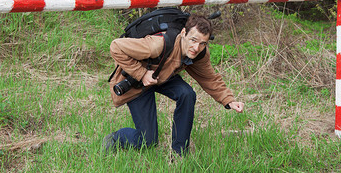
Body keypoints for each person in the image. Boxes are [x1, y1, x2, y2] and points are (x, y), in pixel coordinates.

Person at [102, 14, 244, 156]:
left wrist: (229, 100)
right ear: (183, 33)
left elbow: (210, 78)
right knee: (147, 141)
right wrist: (142, 74)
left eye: (202, 43)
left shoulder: (199, 53)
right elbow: (116, 46)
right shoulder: (157, 45)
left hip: (163, 76)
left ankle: (179, 152)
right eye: (193, 40)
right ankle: (116, 138)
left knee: (187, 94)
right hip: (139, 81)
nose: (196, 47)